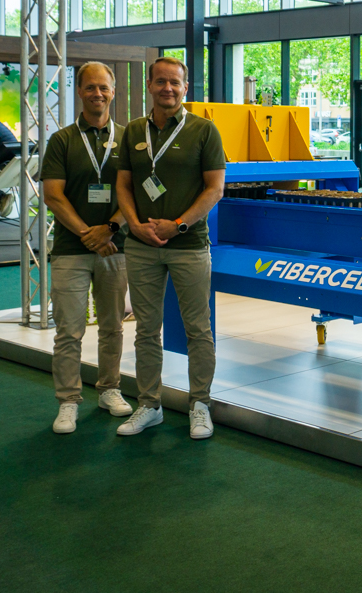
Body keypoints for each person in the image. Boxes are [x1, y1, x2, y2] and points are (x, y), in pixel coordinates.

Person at [114, 56, 225, 440]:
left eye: (175, 82)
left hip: (188, 245)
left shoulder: (204, 130)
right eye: (160, 81)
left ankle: (200, 405)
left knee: (198, 329)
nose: (168, 88)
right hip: (141, 245)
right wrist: (134, 224)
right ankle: (149, 405)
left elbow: (215, 189)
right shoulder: (133, 130)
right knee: (146, 329)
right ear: (149, 85)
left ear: (185, 87)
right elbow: (123, 185)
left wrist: (178, 225)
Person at [41, 62, 133, 434]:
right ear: (79, 91)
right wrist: (87, 234)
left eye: (104, 87)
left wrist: (109, 230)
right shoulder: (61, 140)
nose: (98, 93)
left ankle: (110, 389)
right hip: (71, 250)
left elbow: (134, 194)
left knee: (113, 326)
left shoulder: (128, 138)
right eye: (90, 87)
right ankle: (68, 401)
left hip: (116, 247)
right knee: (69, 330)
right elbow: (53, 196)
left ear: (113, 91)